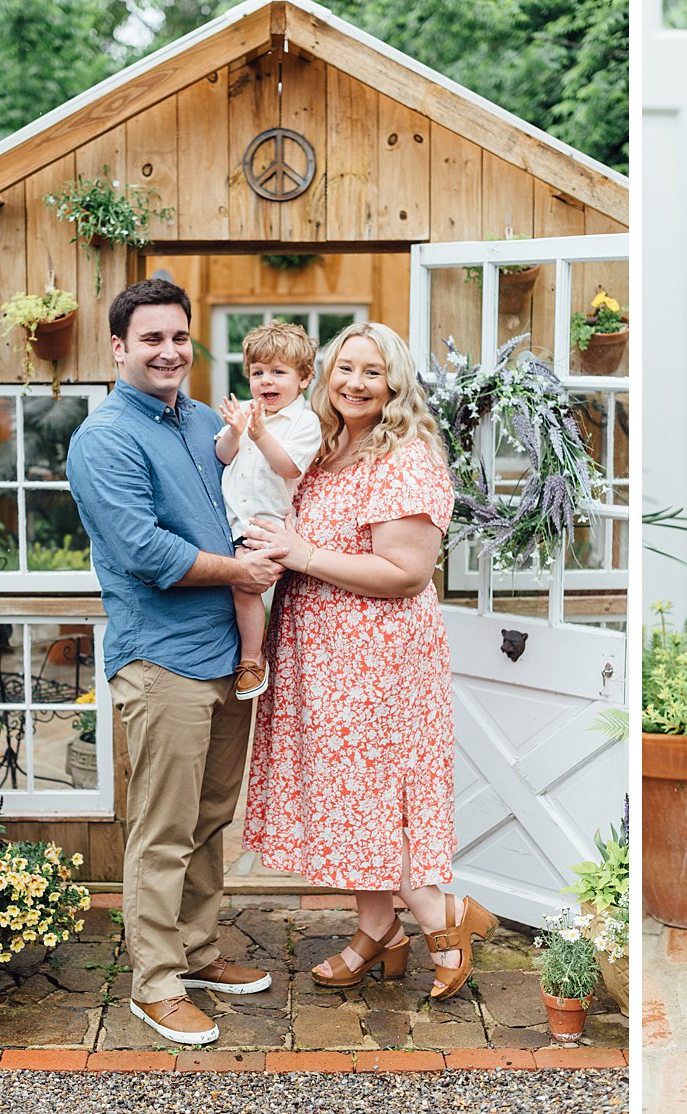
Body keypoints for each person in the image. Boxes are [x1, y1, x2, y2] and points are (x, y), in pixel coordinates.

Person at [242, 321, 496, 998]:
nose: (355, 383)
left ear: (395, 385)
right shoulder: (324, 445)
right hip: (318, 654)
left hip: (376, 661)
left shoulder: (405, 455)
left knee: (377, 798)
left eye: (372, 373)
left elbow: (407, 572)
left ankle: (445, 918)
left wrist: (302, 555)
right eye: (345, 368)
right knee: (346, 799)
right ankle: (378, 934)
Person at [66, 278, 283, 1046]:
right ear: (120, 348)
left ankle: (194, 952)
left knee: (210, 817)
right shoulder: (105, 439)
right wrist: (243, 574)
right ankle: (153, 984)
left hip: (229, 656)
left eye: (179, 337)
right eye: (151, 338)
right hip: (162, 660)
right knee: (162, 829)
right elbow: (143, 551)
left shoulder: (202, 421)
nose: (169, 351)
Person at [214, 322, 324, 700]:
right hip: (230, 520)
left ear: (305, 378)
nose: (266, 381)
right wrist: (233, 430)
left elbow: (290, 468)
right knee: (229, 587)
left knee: (245, 586)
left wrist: (259, 434)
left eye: (279, 372)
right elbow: (223, 456)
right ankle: (241, 649)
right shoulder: (245, 412)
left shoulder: (304, 423)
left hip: (267, 525)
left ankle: (252, 658)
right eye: (258, 372)